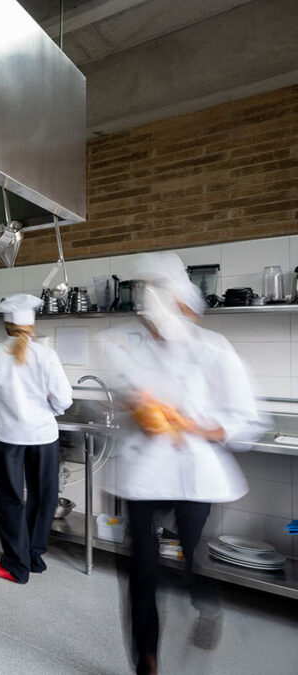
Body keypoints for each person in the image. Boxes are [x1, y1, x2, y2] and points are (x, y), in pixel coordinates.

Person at [104, 253, 263, 675]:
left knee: (192, 559)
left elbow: (246, 419)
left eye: (161, 303)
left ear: (183, 305)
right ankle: (147, 663)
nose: (152, 318)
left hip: (196, 473)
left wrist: (189, 423)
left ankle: (205, 602)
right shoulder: (133, 350)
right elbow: (126, 398)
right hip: (143, 474)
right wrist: (136, 409)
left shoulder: (214, 351)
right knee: (141, 573)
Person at [0, 293, 72, 584]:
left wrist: (0, 408)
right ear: (32, 325)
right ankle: (33, 557)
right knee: (44, 497)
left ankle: (16, 564)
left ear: (6, 325)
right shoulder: (47, 354)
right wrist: (50, 410)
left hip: (7, 435)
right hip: (43, 435)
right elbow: (64, 399)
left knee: (11, 498)